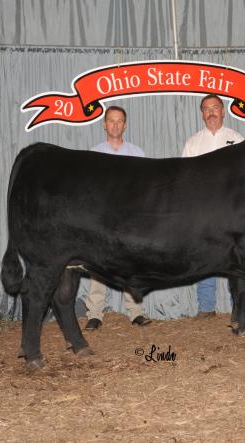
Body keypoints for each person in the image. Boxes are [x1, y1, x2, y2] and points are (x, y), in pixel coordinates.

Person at [84, 105, 152, 330]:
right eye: (111, 121)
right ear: (104, 125)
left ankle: (135, 312)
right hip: (101, 218)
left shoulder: (137, 153)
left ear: (125, 125)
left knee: (131, 264)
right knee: (98, 265)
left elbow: (144, 189)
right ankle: (95, 313)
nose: (115, 125)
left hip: (129, 218)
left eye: (119, 121)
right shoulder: (93, 154)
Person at [182, 94, 244, 318]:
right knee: (204, 256)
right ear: (202, 114)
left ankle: (239, 307)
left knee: (236, 257)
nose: (211, 112)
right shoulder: (193, 142)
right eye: (206, 109)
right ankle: (206, 307)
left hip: (231, 208)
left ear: (223, 110)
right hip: (203, 208)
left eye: (215, 107)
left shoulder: (237, 139)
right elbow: (185, 179)